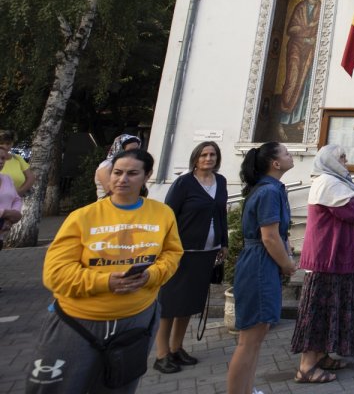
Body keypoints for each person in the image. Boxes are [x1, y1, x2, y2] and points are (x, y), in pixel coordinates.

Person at [26, 148, 182, 393]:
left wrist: (151, 276)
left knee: (118, 385)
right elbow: (55, 274)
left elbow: (172, 255)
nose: (122, 179)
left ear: (147, 176)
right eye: (117, 172)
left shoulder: (162, 214)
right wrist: (105, 282)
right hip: (78, 323)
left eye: (132, 173)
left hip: (136, 321)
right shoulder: (83, 216)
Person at [290, 145, 354, 382]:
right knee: (320, 307)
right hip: (329, 257)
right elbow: (349, 211)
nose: (346, 161)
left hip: (341, 254)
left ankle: (322, 354)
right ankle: (306, 366)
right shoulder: (327, 182)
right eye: (341, 157)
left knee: (335, 305)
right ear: (329, 161)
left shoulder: (337, 181)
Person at [227, 142, 298, 394]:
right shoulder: (268, 192)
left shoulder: (271, 189)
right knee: (249, 340)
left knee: (257, 336)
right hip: (260, 262)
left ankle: (246, 389)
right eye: (286, 153)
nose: (291, 156)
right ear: (275, 163)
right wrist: (287, 264)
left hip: (261, 260)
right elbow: (269, 236)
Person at [154, 141, 228, 374]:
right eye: (204, 154)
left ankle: (177, 347)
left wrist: (223, 242)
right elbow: (169, 215)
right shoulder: (184, 183)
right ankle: (161, 353)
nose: (209, 158)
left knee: (190, 302)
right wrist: (167, 246)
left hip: (207, 252)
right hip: (182, 252)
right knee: (170, 303)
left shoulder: (221, 181)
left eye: (213, 154)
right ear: (195, 158)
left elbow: (221, 213)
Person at [95, 134, 141, 199]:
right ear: (120, 149)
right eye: (130, 150)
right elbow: (111, 192)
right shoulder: (106, 165)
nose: (135, 153)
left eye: (136, 150)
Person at [0, 130, 35, 198]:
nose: (5, 146)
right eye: (1, 143)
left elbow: (31, 178)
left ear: (12, 144)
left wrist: (20, 192)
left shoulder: (17, 158)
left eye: (8, 143)